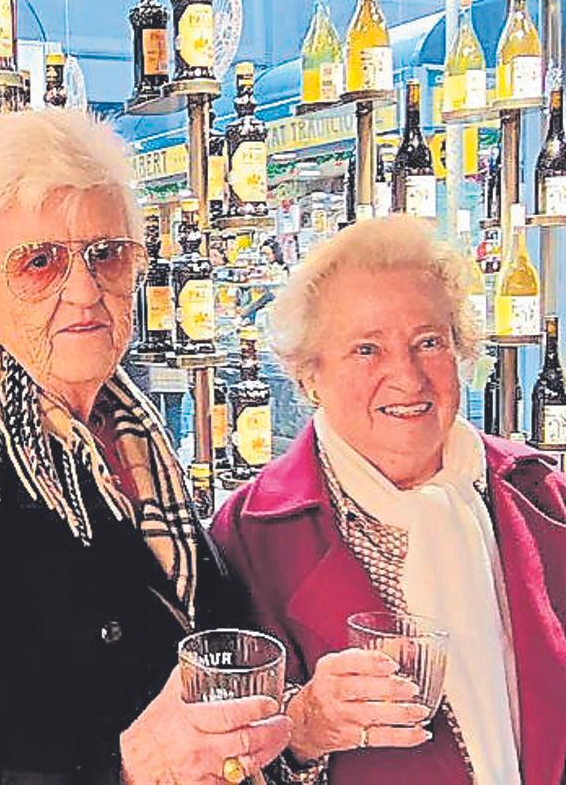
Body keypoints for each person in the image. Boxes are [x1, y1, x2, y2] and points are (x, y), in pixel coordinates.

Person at [0, 109, 292, 784]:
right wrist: (121, 767)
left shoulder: (137, 431)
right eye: (39, 262)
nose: (84, 290)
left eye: (107, 253)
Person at [211, 216, 566, 784]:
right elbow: (219, 757)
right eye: (366, 350)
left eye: (429, 342)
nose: (406, 376)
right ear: (310, 375)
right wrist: (302, 727)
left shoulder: (541, 495)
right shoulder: (249, 535)